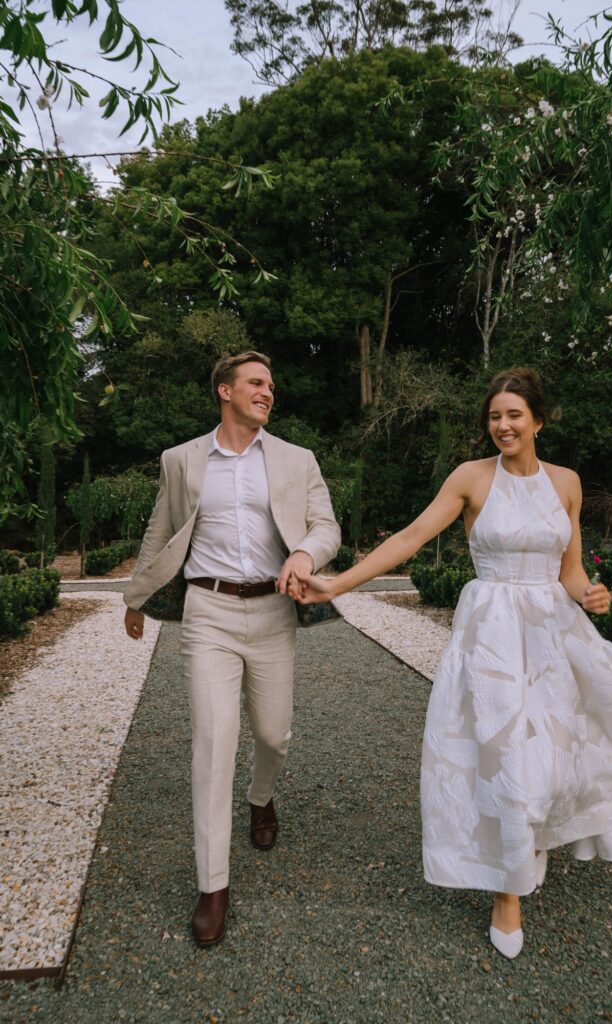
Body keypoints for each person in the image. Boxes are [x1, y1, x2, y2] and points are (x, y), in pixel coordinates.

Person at [291, 367, 612, 958]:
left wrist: (592, 593)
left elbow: (570, 572)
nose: (502, 425)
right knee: (501, 755)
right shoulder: (471, 478)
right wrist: (338, 583)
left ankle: (532, 835)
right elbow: (411, 537)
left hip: (553, 632)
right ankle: (508, 890)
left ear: (538, 420)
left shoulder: (567, 482)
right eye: (495, 416)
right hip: (492, 634)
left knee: (555, 751)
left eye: (514, 415)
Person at [123, 350, 340, 947]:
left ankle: (261, 798)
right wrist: (135, 598)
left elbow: (327, 526)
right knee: (213, 742)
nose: (268, 392)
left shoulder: (298, 459)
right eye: (255, 383)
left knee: (274, 733)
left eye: (271, 384)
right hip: (207, 612)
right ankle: (213, 884)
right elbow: (159, 529)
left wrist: (304, 554)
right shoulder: (181, 460)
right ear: (225, 390)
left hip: (274, 612)